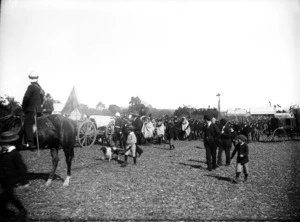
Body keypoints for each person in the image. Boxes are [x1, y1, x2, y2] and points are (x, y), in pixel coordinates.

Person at [0, 131, 29, 220]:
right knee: (8, 197)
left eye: (4, 143)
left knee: (7, 196)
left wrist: (25, 181)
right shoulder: (2, 152)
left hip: (12, 179)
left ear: (9, 143)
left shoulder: (15, 154)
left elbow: (22, 168)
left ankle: (22, 210)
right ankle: (6, 213)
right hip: (3, 178)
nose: (2, 144)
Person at [22, 71, 45, 151]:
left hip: (31, 109)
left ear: (29, 78)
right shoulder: (40, 88)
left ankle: (30, 144)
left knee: (28, 124)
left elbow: (26, 97)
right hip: (38, 110)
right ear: (37, 78)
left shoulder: (31, 87)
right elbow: (42, 99)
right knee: (36, 125)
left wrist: (23, 106)